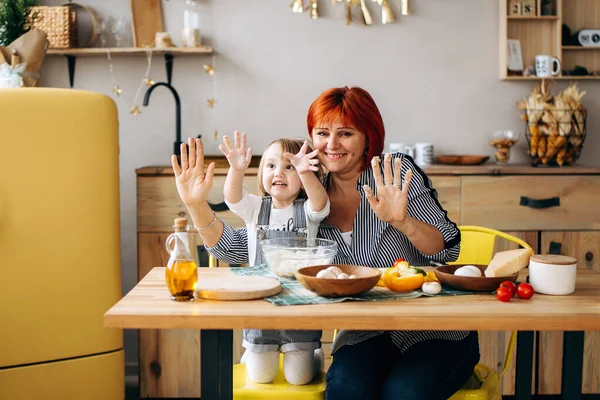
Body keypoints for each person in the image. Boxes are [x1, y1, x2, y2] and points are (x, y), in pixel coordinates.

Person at [171, 86, 479, 400]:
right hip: (363, 332)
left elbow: (447, 248)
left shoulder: (392, 172)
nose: (331, 145)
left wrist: (403, 222)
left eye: (345, 133)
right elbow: (236, 248)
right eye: (322, 133)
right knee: (347, 391)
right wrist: (197, 205)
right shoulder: (305, 190)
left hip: (433, 328)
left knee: (404, 393)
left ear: (367, 136)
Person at [218, 131, 330, 385]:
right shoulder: (256, 208)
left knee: (298, 378)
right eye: (271, 166)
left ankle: (314, 354)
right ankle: (253, 354)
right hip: (262, 305)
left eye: (289, 166)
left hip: (300, 307)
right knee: (262, 377)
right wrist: (236, 169)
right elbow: (232, 198)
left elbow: (321, 202)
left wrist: (305, 172)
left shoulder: (308, 211)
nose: (278, 172)